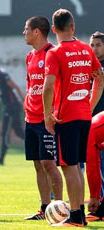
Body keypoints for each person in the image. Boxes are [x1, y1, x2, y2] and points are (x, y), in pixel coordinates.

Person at [43, 9, 104, 227]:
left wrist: (47, 114)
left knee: (69, 167)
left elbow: (48, 87)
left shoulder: (55, 53)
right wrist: (89, 105)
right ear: (73, 27)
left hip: (66, 117)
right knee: (76, 166)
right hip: (84, 116)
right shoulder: (87, 50)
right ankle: (78, 214)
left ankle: (76, 214)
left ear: (53, 29)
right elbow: (100, 78)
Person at [22, 16, 63, 220]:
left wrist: (52, 113)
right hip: (30, 117)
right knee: (38, 164)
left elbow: (57, 86)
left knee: (49, 163)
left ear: (37, 31)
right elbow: (30, 85)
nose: (24, 33)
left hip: (46, 119)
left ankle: (61, 208)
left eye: (26, 29)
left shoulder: (53, 54)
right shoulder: (30, 56)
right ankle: (45, 207)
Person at [85, 31, 104, 222]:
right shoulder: (89, 67)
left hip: (101, 124)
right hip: (92, 123)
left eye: (98, 45)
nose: (94, 49)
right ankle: (98, 202)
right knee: (93, 164)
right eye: (92, 45)